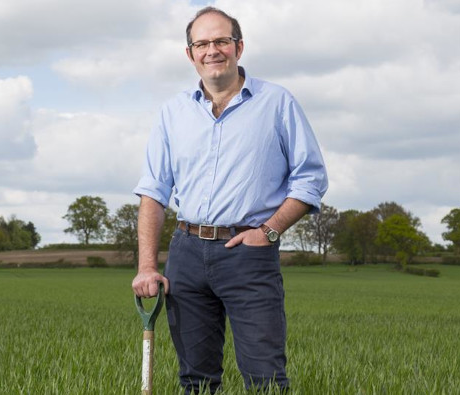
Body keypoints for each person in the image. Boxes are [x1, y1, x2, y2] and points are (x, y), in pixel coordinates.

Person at [131, 6, 328, 394]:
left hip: (248, 253)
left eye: (221, 40)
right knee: (196, 381)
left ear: (239, 47)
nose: (212, 50)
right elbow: (154, 192)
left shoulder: (277, 102)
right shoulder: (173, 113)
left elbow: (311, 178)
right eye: (201, 43)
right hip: (186, 253)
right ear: (190, 54)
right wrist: (146, 266)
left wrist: (268, 231)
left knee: (265, 377)